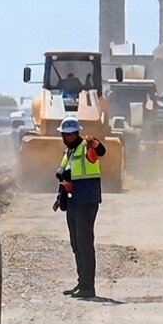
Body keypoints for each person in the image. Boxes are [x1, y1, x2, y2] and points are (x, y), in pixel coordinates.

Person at [51, 116, 106, 298]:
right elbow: (64, 177)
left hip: (86, 201)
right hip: (72, 201)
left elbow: (99, 152)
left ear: (76, 133)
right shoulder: (69, 152)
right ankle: (81, 283)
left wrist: (95, 143)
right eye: (64, 134)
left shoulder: (85, 147)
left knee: (84, 244)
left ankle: (88, 287)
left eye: (69, 134)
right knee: (76, 244)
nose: (65, 137)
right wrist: (59, 199)